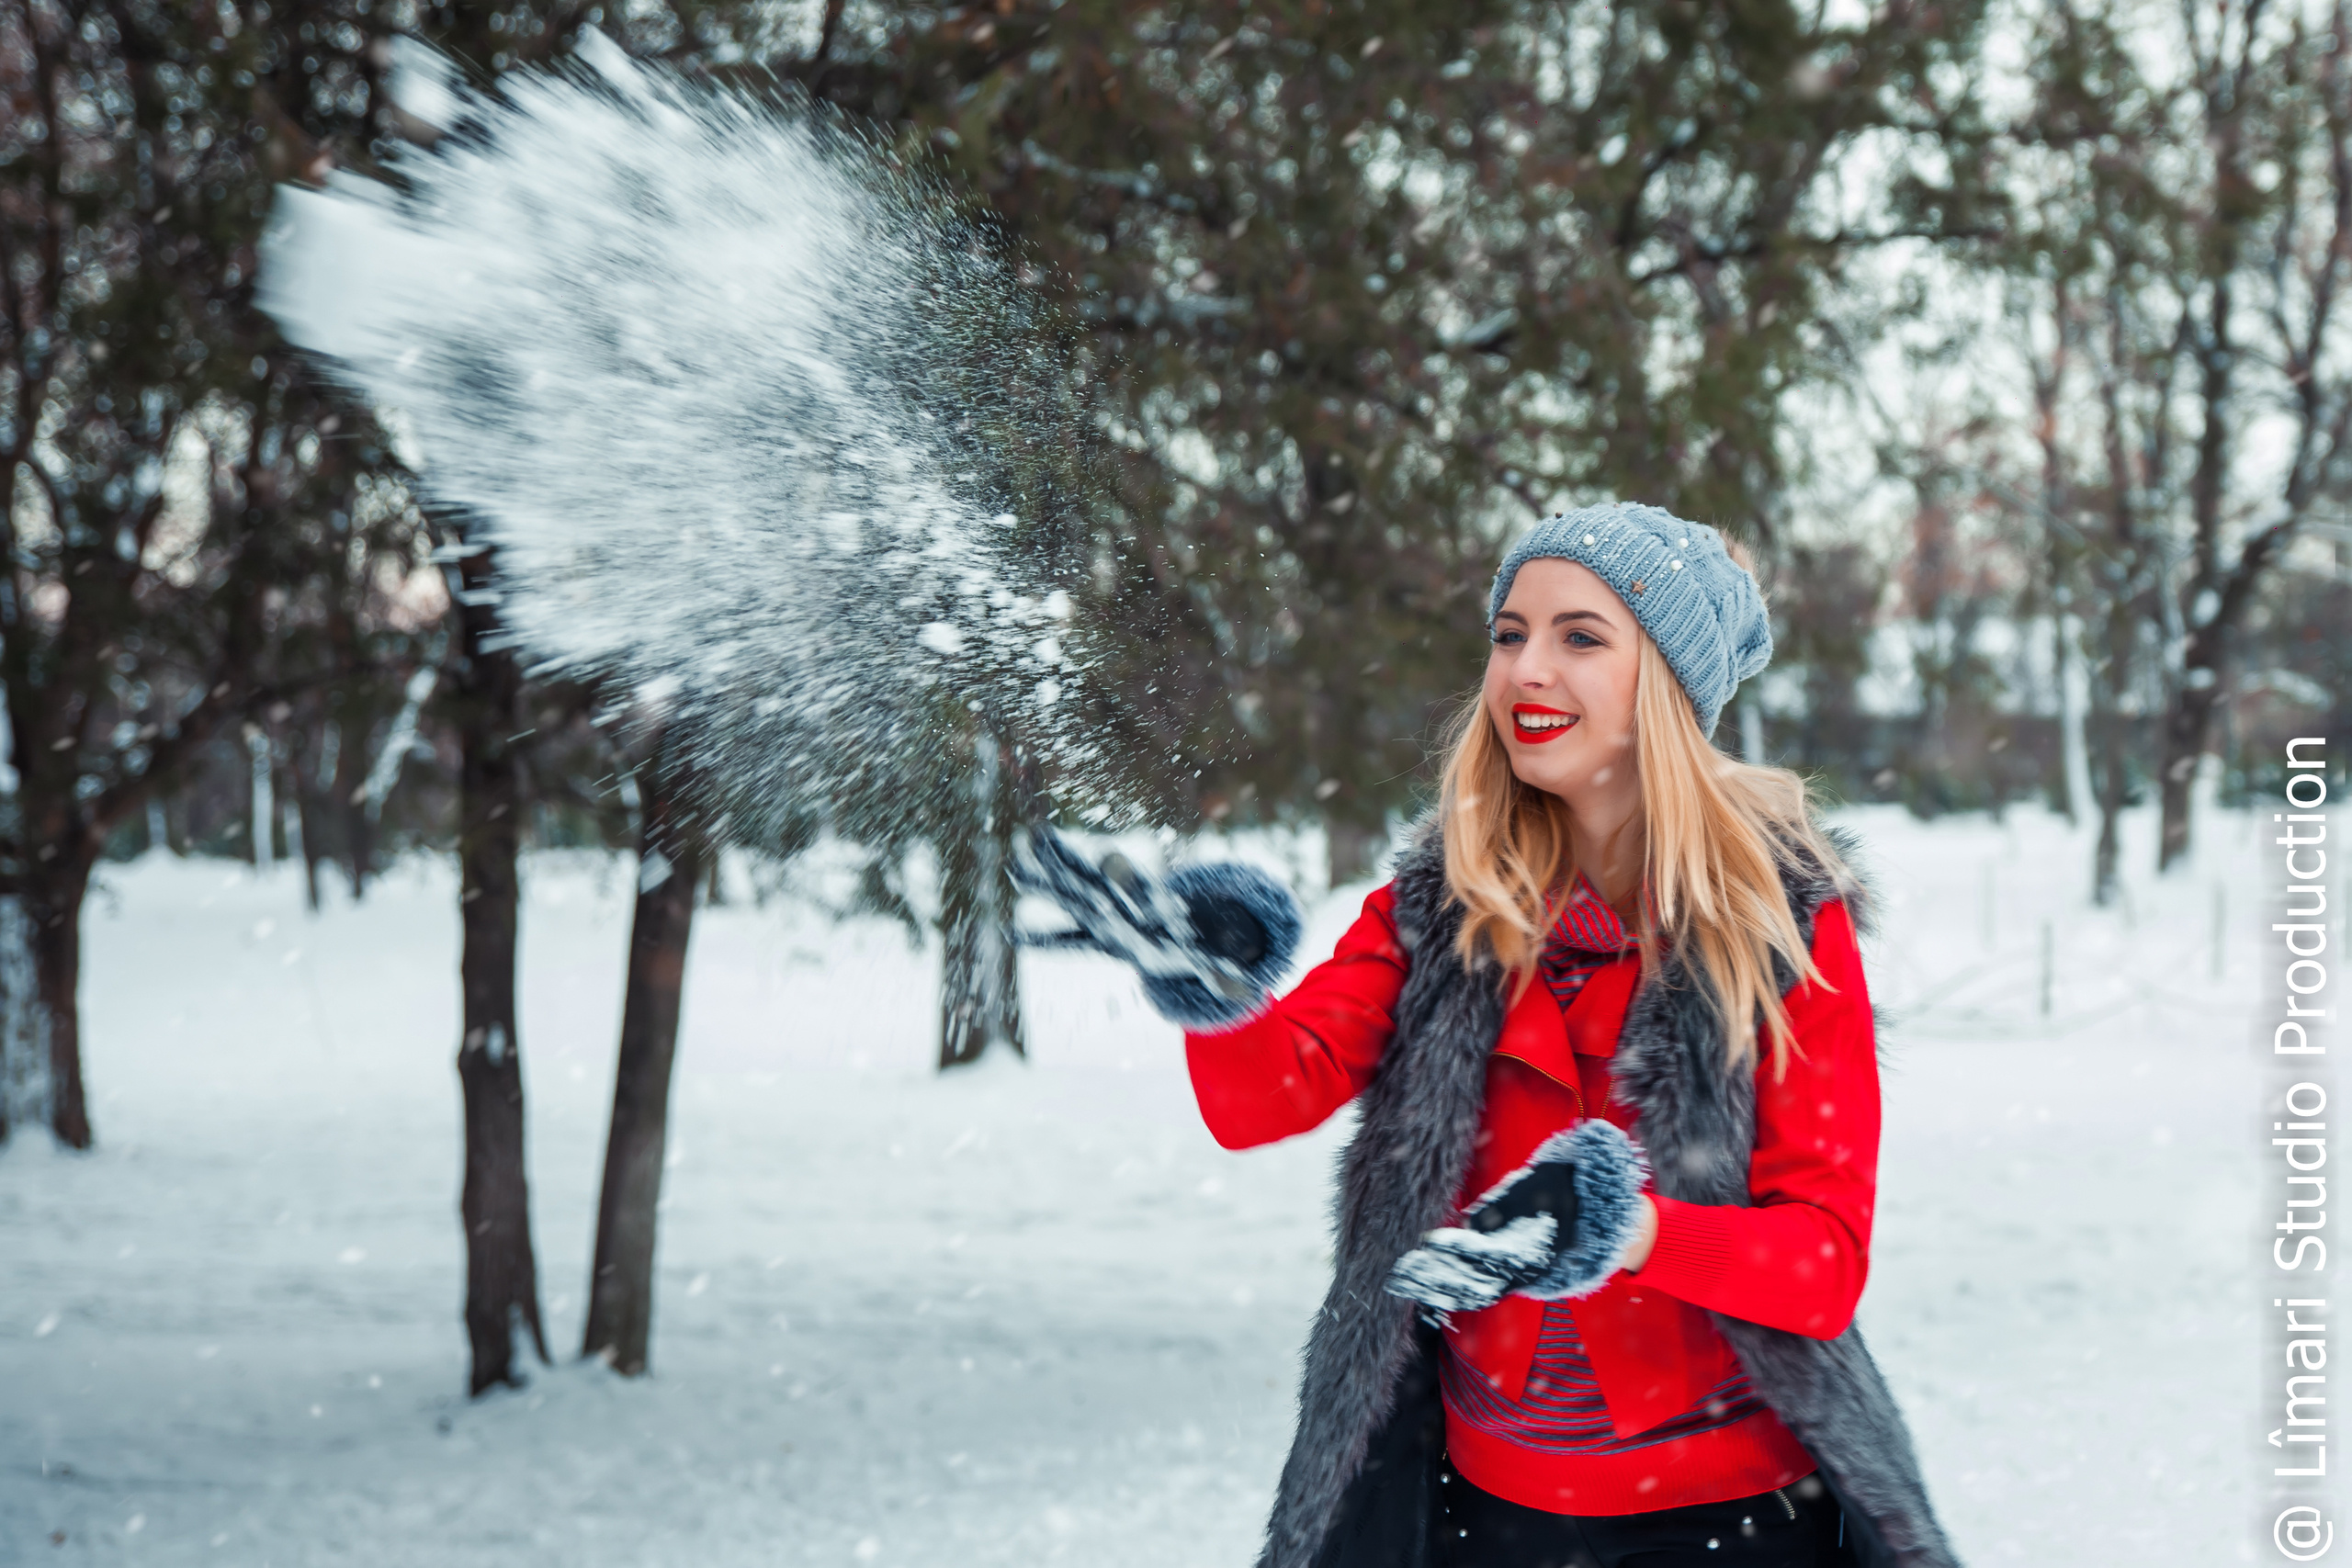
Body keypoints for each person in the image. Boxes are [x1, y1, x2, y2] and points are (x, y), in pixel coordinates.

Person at [1017, 502, 1960, 1568]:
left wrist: (1628, 1233)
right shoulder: (1440, 906)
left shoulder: (1780, 929)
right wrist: (1212, 989)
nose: (1525, 670)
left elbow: (1820, 1267)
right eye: (1509, 635)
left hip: (1734, 1526)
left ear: (1666, 686)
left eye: (1580, 637)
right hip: (1483, 1521)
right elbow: (1266, 1097)